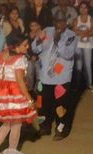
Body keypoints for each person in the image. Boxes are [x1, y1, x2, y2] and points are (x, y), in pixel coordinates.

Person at [31, 11, 77, 140]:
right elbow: (35, 49)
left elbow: (68, 54)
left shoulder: (71, 36)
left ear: (66, 22)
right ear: (54, 21)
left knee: (60, 106)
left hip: (61, 79)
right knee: (43, 105)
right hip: (44, 76)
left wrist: (58, 41)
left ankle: (61, 129)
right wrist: (39, 39)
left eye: (62, 21)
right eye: (57, 21)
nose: (59, 24)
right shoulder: (47, 31)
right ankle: (44, 127)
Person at [0, 33, 36, 154]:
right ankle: (12, 153)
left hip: (3, 94)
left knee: (7, 123)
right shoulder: (20, 59)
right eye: (24, 45)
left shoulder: (1, 56)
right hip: (15, 93)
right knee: (16, 124)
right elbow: (20, 81)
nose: (27, 46)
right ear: (15, 47)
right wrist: (29, 99)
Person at [74, 0, 93, 91]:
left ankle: (89, 84)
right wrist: (86, 33)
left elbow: (92, 32)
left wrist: (81, 33)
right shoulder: (76, 19)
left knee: (88, 65)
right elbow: (74, 30)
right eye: (81, 7)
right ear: (79, 9)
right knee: (78, 65)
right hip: (78, 45)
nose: (83, 9)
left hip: (88, 45)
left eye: (85, 7)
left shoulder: (92, 19)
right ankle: (77, 84)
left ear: (88, 9)